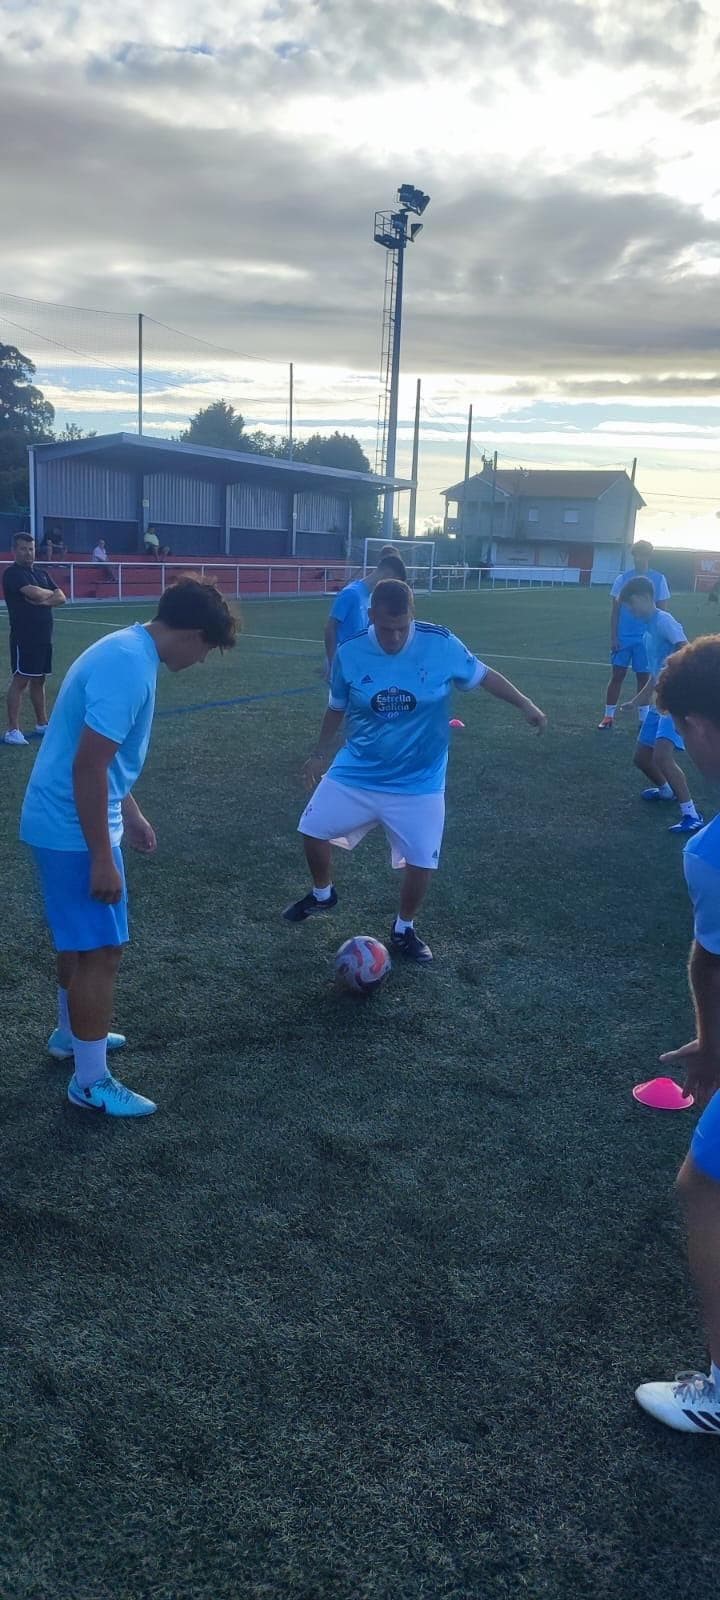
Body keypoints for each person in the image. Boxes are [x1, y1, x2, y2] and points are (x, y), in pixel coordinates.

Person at [19, 574, 237, 1118]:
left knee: (78, 942)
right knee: (102, 951)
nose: (204, 659)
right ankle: (90, 1082)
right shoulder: (128, 666)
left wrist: (131, 814)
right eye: (208, 647)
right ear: (189, 634)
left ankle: (70, 1038)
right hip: (73, 829)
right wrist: (100, 854)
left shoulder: (127, 648)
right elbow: (89, 765)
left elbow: (101, 757)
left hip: (67, 820)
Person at [284, 578, 547, 962]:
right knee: (311, 829)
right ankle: (323, 894)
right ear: (371, 616)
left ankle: (403, 928)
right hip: (358, 771)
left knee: (423, 860)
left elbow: (484, 675)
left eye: (401, 628)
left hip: (419, 780)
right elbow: (337, 706)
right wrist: (319, 753)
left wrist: (525, 704)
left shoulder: (440, 643)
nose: (393, 637)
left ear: (412, 616)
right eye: (385, 628)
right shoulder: (351, 651)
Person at [634, 637, 720, 1432]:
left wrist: (708, 1048)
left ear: (699, 727)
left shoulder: (713, 851)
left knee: (704, 1188)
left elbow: (713, 961)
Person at [617, 577, 703, 835]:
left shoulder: (664, 621)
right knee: (642, 758)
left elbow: (687, 652)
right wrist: (636, 701)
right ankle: (666, 791)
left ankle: (691, 813)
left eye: (632, 605)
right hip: (659, 702)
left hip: (675, 701)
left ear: (645, 597)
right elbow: (656, 676)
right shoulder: (646, 633)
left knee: (662, 756)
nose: (631, 611)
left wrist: (680, 693)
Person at [2, 531, 66, 746]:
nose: (28, 553)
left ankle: (42, 723)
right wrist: (47, 595)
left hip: (44, 637)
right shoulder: (12, 573)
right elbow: (36, 593)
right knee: (21, 680)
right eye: (23, 548)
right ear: (15, 550)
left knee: (40, 680)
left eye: (30, 549)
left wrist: (45, 601)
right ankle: (13, 730)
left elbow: (61, 597)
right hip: (24, 637)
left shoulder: (42, 573)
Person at [598, 540, 670, 730]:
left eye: (644, 554)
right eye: (637, 554)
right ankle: (608, 716)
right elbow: (615, 611)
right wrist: (614, 637)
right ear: (633, 556)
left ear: (649, 556)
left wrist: (657, 640)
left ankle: (643, 719)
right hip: (624, 637)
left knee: (643, 677)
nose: (640, 558)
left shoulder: (659, 579)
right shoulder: (623, 579)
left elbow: (662, 611)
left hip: (646, 639)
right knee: (617, 675)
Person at [323, 548, 407, 673]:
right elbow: (331, 627)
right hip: (343, 661)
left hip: (357, 661)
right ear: (388, 575)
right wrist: (332, 662)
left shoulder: (370, 596)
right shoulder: (351, 593)